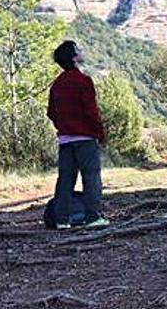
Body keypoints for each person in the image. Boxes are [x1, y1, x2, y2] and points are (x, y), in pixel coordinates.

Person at [47, 40, 109, 230]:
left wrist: (63, 126)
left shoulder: (56, 84)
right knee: (91, 177)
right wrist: (99, 132)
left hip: (65, 139)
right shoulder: (84, 81)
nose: (82, 51)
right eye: (78, 50)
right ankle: (93, 217)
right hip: (85, 138)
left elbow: (51, 112)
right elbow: (91, 112)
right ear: (74, 58)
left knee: (65, 179)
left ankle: (62, 219)